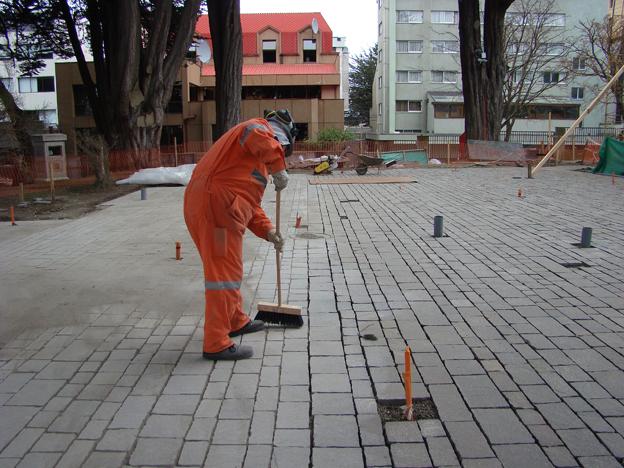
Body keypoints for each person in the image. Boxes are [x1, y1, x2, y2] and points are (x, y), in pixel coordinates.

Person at [183, 110, 297, 360]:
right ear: (279, 137)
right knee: (223, 276)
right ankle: (216, 342)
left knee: (225, 271)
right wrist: (279, 167)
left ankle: (235, 321)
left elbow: (249, 204)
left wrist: (269, 231)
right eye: (280, 147)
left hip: (216, 207)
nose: (278, 154)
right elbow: (256, 135)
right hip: (216, 210)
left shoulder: (246, 162)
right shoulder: (257, 128)